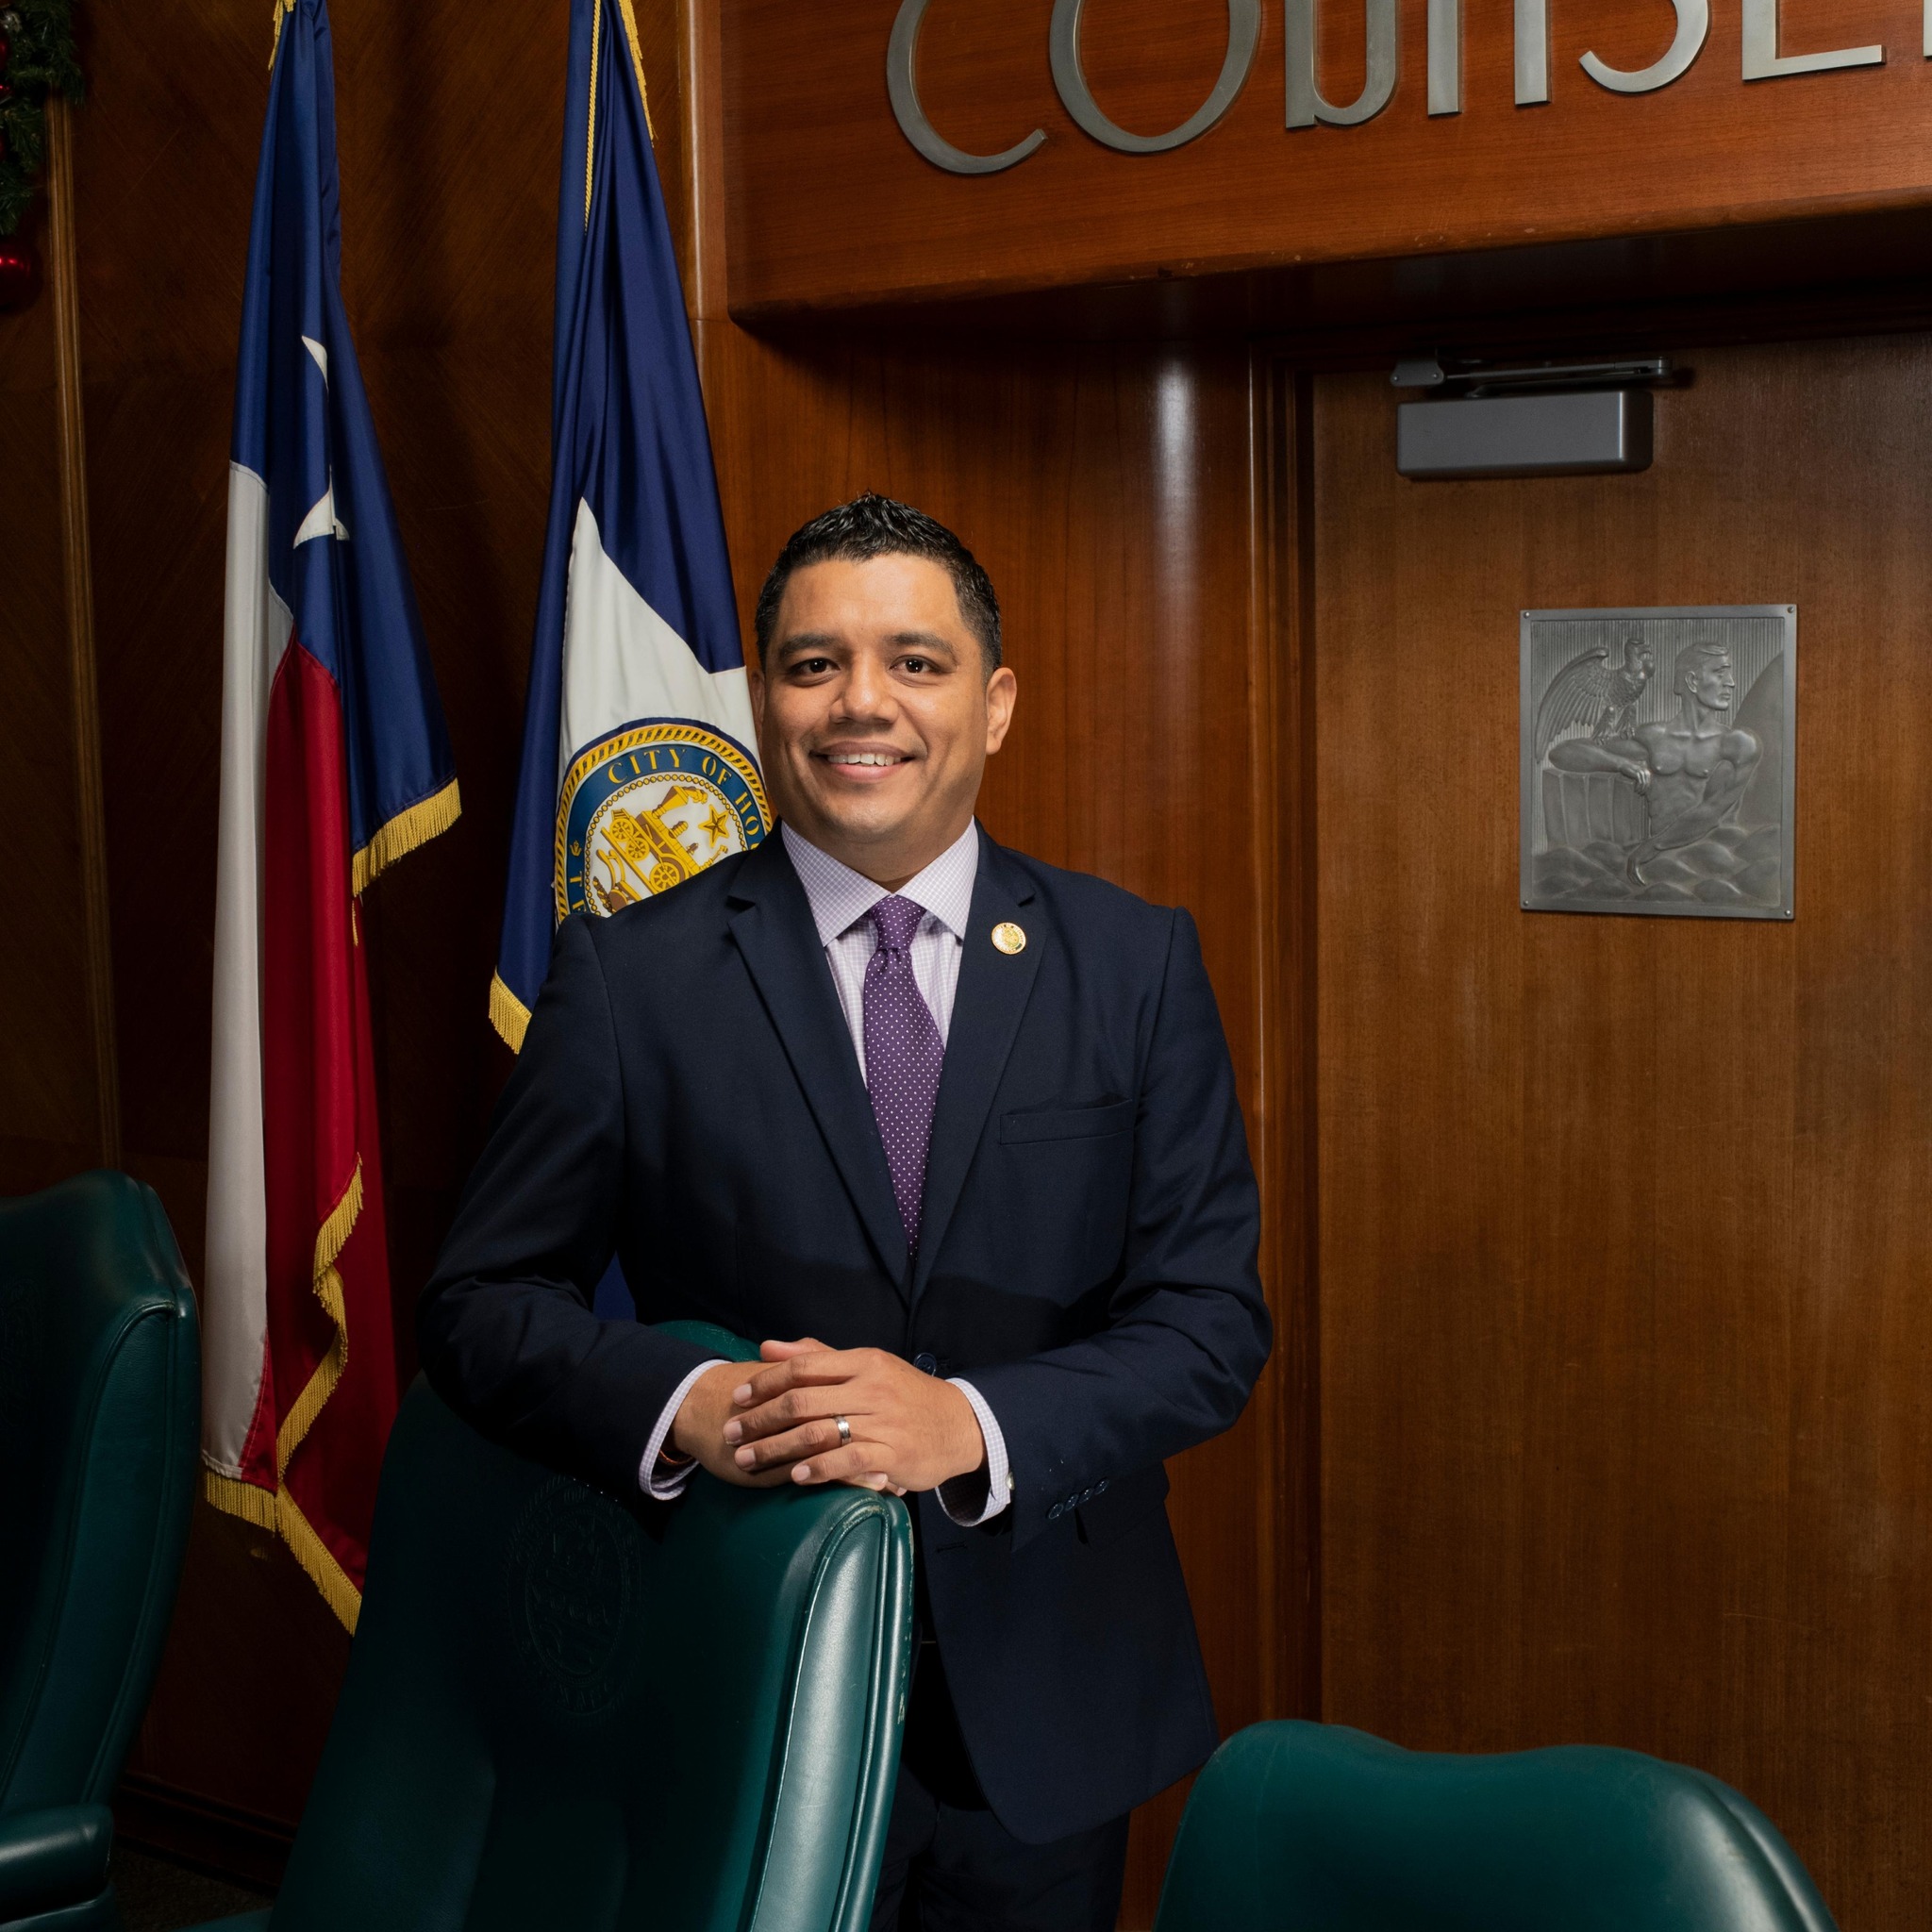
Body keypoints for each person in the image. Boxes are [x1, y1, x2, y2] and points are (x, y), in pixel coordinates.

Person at [419, 494, 1271, 1931]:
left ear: (994, 706)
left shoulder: (1133, 964)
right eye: (814, 665)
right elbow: (479, 1307)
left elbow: (1209, 1327)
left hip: (1046, 1711)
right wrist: (687, 1400)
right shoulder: (630, 980)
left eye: (915, 663)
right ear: (765, 699)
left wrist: (971, 1426)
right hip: (738, 1675)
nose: (860, 703)